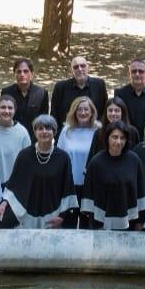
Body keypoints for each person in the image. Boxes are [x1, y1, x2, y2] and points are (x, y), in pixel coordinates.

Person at [0, 115, 78, 228]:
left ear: (54, 131)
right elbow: (14, 184)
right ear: (35, 132)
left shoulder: (63, 158)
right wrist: (3, 204)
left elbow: (67, 189)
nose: (44, 131)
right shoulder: (24, 156)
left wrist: (62, 216)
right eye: (40, 128)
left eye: (48, 128)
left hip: (53, 215)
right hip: (27, 215)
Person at [81, 120, 145, 230]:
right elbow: (89, 195)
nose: (118, 142)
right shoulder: (96, 162)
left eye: (122, 138)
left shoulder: (134, 160)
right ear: (107, 138)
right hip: (101, 224)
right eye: (114, 137)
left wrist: (140, 221)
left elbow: (141, 193)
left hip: (130, 223)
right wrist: (94, 223)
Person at [57, 96, 100, 228]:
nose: (83, 112)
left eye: (86, 109)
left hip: (91, 185)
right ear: (74, 112)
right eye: (79, 109)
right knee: (68, 223)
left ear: (92, 111)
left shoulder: (98, 130)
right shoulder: (66, 131)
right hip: (71, 184)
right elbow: (59, 158)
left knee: (88, 225)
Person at [0, 94, 32, 186]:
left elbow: (28, 161)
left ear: (14, 110)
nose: (6, 111)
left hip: (15, 184)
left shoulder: (22, 132)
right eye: (3, 107)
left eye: (10, 108)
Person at [50, 55, 108, 128]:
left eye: (83, 66)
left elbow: (105, 111)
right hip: (67, 132)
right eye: (76, 67)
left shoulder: (99, 85)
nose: (80, 69)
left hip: (94, 131)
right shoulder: (60, 88)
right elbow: (54, 114)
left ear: (88, 68)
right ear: (71, 71)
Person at [0, 58, 49, 142]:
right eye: (19, 72)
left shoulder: (42, 93)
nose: (22, 74)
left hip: (33, 139)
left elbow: (43, 121)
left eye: (25, 71)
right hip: (11, 138)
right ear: (14, 74)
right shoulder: (6, 92)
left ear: (32, 74)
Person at [114, 58, 145, 137]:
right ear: (129, 74)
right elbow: (115, 121)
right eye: (134, 71)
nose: (137, 74)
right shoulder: (119, 94)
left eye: (141, 71)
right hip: (127, 140)